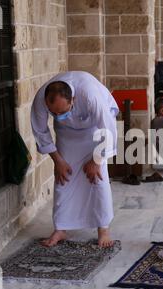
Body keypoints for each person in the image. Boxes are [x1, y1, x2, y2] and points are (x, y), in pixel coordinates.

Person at [30, 71, 118, 248]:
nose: (57, 114)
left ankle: (103, 229)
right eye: (53, 112)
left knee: (97, 177)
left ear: (73, 100)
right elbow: (40, 131)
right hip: (66, 133)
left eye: (62, 111)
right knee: (64, 178)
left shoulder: (90, 95)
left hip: (95, 129)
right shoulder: (41, 98)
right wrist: (58, 161)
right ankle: (61, 228)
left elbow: (108, 130)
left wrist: (96, 160)